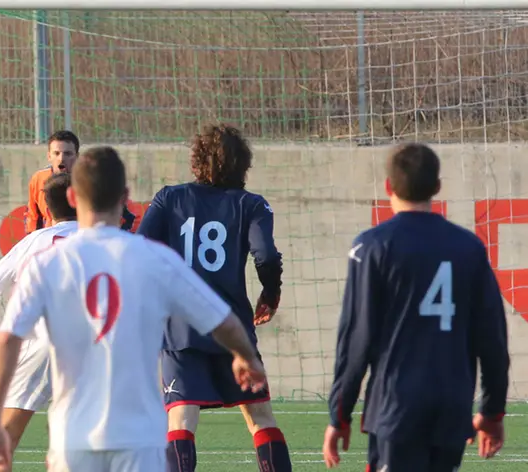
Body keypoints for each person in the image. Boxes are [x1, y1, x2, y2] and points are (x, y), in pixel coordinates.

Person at [0, 146, 267, 472]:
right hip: (140, 440)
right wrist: (245, 355)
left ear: (72, 197)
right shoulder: (155, 260)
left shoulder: (45, 264)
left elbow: (7, 342)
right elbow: (223, 321)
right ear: (125, 197)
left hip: (73, 441)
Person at [323, 143, 510, 471]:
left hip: (397, 406)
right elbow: (492, 338)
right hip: (451, 405)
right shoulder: (469, 248)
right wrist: (492, 411)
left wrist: (339, 414)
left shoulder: (372, 247)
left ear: (388, 187)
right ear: (437, 187)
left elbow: (357, 339)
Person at [136, 124, 293, 472]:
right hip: (231, 325)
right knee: (261, 417)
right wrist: (271, 291)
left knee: (180, 420)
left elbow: (140, 251)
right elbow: (265, 255)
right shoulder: (251, 204)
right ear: (242, 165)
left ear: (197, 160)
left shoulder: (169, 198)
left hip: (180, 328)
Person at [0, 172, 77, 471]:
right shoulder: (105, 241)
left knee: (3, 439)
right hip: (92, 351)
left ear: (47, 207)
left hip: (40, 345)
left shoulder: (35, 241)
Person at [25, 130, 135, 233]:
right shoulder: (38, 179)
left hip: (84, 241)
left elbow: (129, 216)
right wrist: (33, 239)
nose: (62, 158)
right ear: (49, 156)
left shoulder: (90, 180)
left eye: (68, 154)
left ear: (77, 156)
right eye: (56, 153)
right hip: (51, 242)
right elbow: (33, 217)